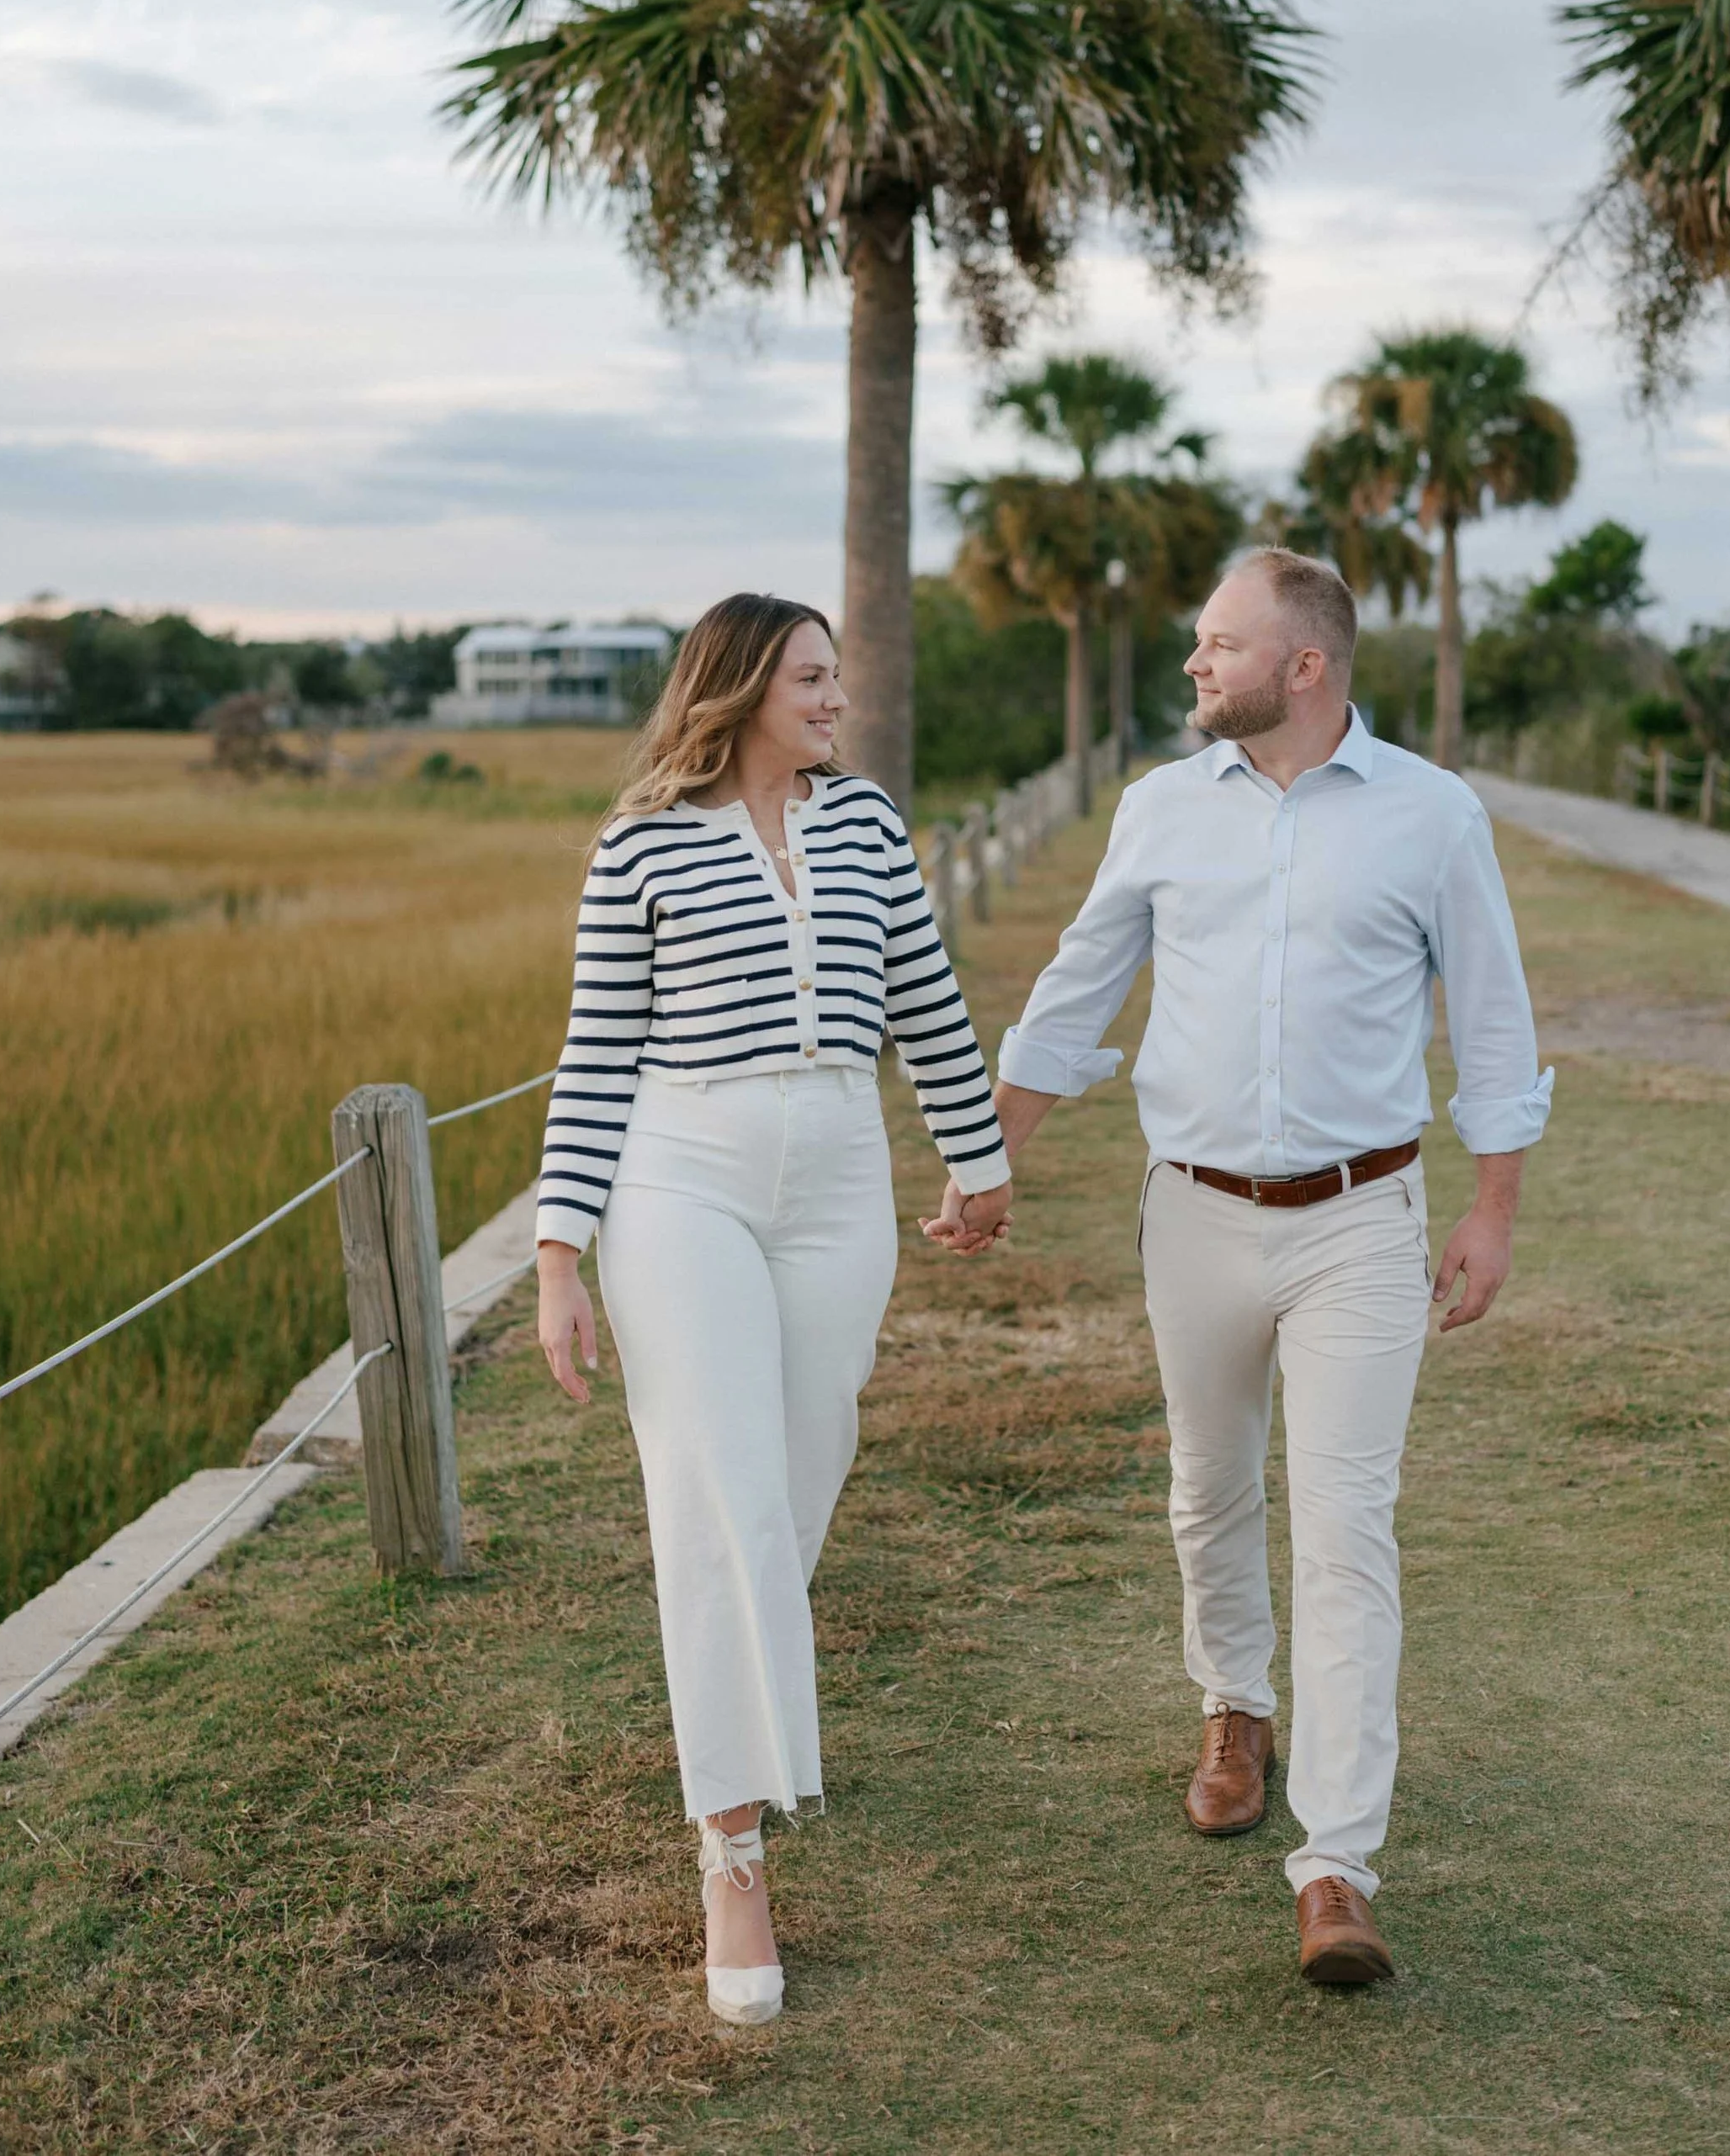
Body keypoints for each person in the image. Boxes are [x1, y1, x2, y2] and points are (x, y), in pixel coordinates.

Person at [925, 548, 1552, 1986]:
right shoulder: (1160, 809)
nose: (1196, 662)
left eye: (1221, 642)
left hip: (1361, 1220)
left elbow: (1495, 1023)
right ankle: (1234, 1707)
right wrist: (988, 1156)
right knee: (1208, 1487)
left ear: (1305, 665)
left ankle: (1338, 1864)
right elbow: (1076, 991)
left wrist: (1493, 1209)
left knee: (1347, 1528)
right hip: (1194, 1211)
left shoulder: (1432, 815)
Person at [532, 594, 1013, 2026]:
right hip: (683, 1176)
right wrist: (559, 1254)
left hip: (840, 1177)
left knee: (796, 1485)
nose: (835, 699)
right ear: (739, 686)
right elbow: (596, 1051)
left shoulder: (865, 824)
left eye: (837, 676)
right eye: (811, 676)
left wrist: (977, 1153)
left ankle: (728, 1733)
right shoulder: (639, 846)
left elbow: (925, 996)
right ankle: (732, 1854)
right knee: (721, 1500)